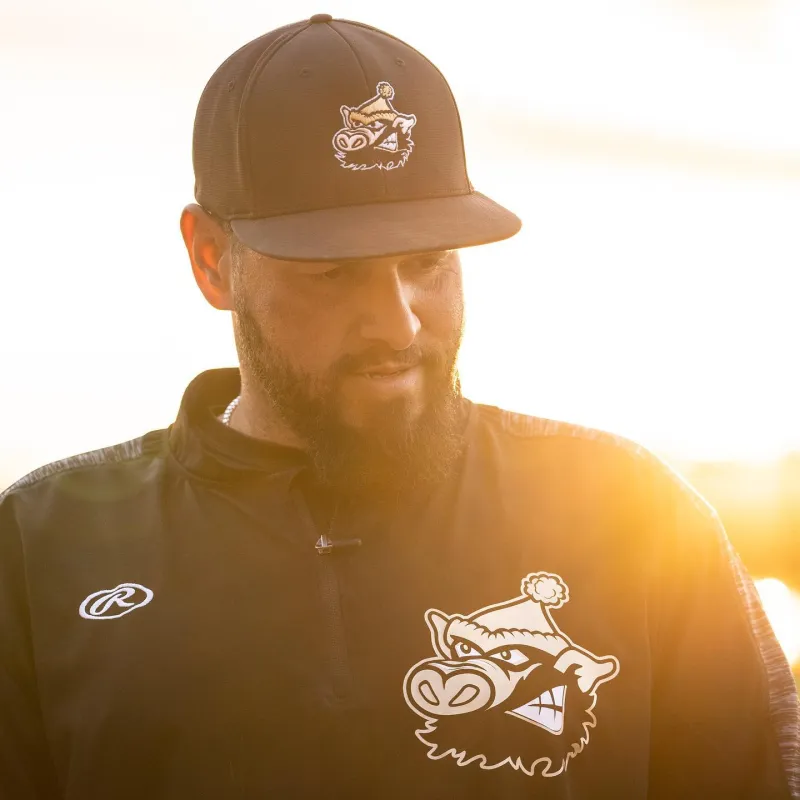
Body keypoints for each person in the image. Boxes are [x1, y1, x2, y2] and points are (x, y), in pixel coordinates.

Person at [1, 14, 797, 800]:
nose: (398, 322)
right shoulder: (39, 552)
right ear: (213, 261)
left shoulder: (634, 515)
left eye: (427, 263)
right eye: (331, 272)